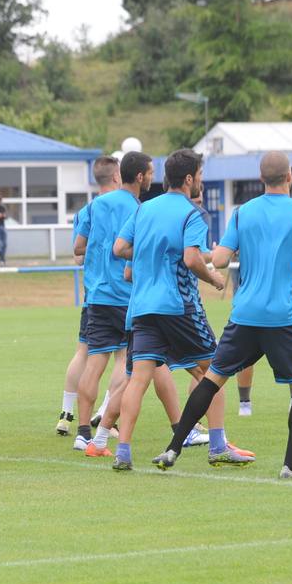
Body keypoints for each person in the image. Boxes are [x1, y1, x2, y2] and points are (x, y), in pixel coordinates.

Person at [157, 152, 292, 478]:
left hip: (244, 315)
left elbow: (221, 259)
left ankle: (173, 448)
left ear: (261, 178)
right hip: (283, 316)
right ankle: (290, 466)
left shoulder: (243, 213)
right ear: (290, 178)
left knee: (211, 379)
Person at [108, 149, 249, 470]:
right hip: (179, 306)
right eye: (199, 175)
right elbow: (190, 258)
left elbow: (119, 248)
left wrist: (149, 253)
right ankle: (217, 446)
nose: (201, 181)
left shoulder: (145, 209)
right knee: (214, 371)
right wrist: (213, 277)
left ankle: (123, 452)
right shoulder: (193, 213)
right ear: (188, 179)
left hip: (142, 306)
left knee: (138, 380)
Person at [72, 152, 153, 456]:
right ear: (140, 176)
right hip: (126, 294)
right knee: (129, 362)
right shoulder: (139, 210)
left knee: (94, 362)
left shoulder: (94, 206)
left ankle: (82, 432)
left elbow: (78, 247)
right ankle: (108, 424)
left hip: (97, 294)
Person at [55, 155, 119, 436]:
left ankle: (67, 414)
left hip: (93, 294)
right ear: (117, 176)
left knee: (84, 352)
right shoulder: (129, 207)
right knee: (125, 358)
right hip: (121, 294)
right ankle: (107, 414)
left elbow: (78, 254)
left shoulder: (87, 211)